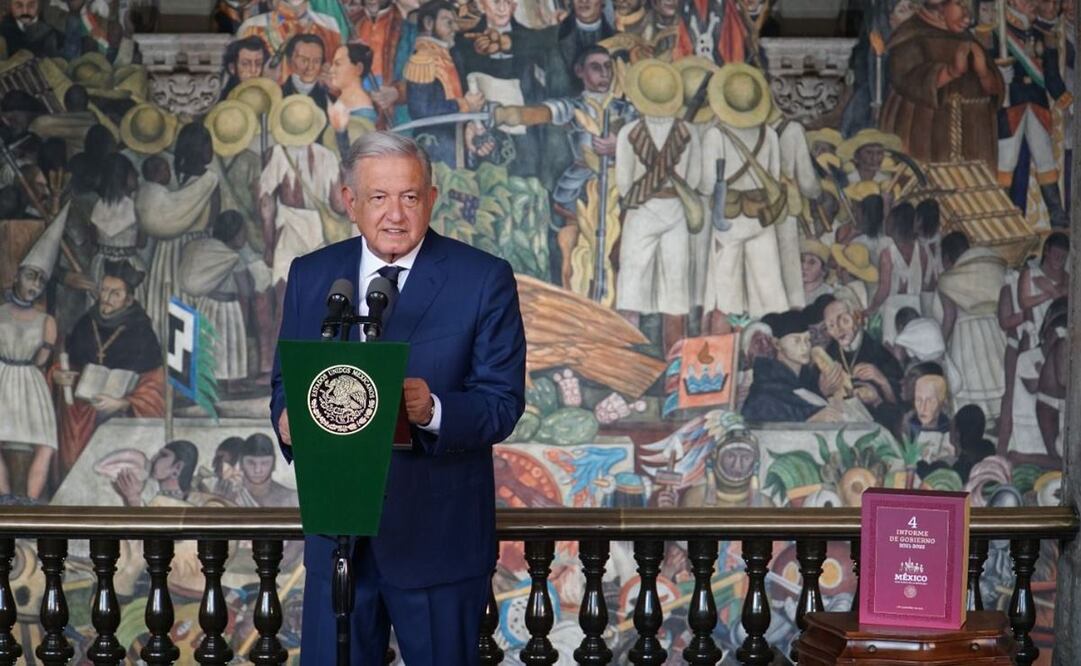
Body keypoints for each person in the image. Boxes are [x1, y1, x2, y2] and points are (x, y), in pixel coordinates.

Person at [270, 132, 526, 664]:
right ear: (350, 201)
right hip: (338, 538)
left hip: (437, 542)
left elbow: (502, 403)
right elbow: (285, 383)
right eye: (379, 197)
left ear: (431, 199)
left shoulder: (481, 279)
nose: (395, 214)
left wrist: (430, 410)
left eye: (409, 197)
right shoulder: (313, 275)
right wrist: (286, 421)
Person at [53, 260, 164, 480]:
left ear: (129, 299)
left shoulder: (141, 331)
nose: (106, 298)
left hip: (124, 417)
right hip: (82, 412)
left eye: (115, 294)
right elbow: (67, 364)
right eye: (104, 290)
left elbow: (155, 385)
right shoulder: (86, 323)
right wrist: (58, 375)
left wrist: (124, 403)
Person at [880, 0, 1003, 172]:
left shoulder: (969, 40)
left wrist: (984, 73)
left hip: (974, 138)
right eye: (961, 6)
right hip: (926, 135)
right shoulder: (910, 36)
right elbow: (905, 78)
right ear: (939, 6)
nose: (969, 18)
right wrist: (949, 72)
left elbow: (994, 93)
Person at [0, 225, 63, 499]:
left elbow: (42, 359)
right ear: (17, 276)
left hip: (30, 384)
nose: (34, 286)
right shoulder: (0, 313)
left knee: (44, 443)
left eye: (40, 281)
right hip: (2, 378)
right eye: (30, 277)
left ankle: (31, 501)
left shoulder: (46, 321)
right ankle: (4, 496)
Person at [404, 0, 485, 166]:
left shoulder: (452, 55)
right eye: (448, 22)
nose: (455, 28)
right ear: (428, 23)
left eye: (455, 22)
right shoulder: (422, 59)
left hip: (457, 140)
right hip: (434, 145)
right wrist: (464, 104)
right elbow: (421, 109)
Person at [937, 230, 1007, 420]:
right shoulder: (992, 270)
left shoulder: (946, 280)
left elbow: (949, 318)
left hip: (965, 338)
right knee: (997, 378)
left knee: (970, 392)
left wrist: (940, 345)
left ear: (947, 256)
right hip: (995, 333)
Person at [281, 34, 332, 111]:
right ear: (289, 61)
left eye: (316, 61)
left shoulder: (329, 101)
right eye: (304, 60)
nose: (310, 67)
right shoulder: (277, 95)